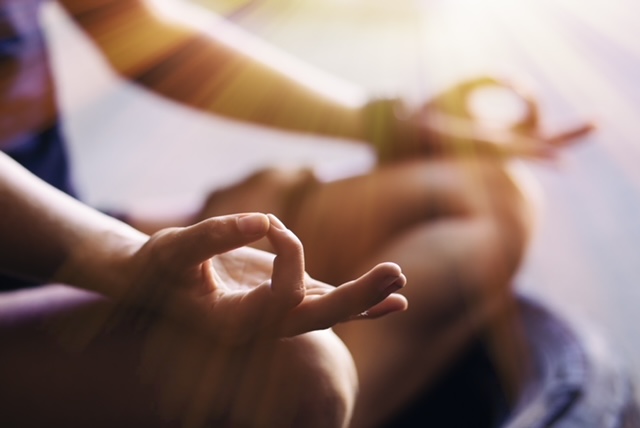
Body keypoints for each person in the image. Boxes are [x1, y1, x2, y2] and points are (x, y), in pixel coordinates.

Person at [0, 0, 593, 426]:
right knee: (299, 370)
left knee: (486, 192)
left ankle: (340, 412)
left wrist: (391, 126)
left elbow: (132, 22)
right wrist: (122, 259)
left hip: (58, 219)